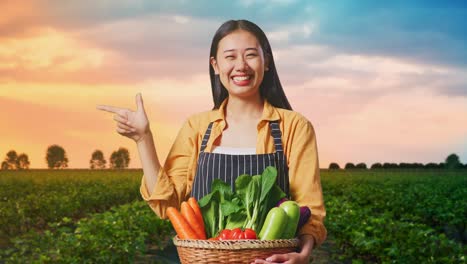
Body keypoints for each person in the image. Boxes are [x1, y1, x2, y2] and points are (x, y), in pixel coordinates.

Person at [97, 19, 326, 264]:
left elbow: (309, 209)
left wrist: (302, 255)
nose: (241, 66)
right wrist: (143, 139)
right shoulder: (197, 128)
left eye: (250, 55)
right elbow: (168, 204)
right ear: (215, 65)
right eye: (230, 57)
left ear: (266, 61)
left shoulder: (293, 127)